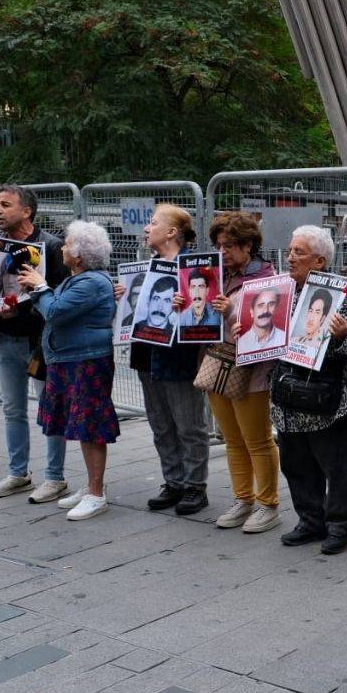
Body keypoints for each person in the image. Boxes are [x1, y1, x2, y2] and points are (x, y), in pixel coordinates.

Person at [0, 184, 69, 499]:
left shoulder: (51, 246)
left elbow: (61, 296)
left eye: (5, 204)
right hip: (7, 339)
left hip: (41, 342)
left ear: (26, 211)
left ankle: (54, 478)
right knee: (13, 409)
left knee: (49, 408)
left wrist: (22, 306)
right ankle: (18, 473)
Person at [15, 221, 119, 520]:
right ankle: (91, 488)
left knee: (91, 427)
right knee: (82, 427)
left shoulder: (91, 282)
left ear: (80, 256)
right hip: (72, 360)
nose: (61, 247)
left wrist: (39, 286)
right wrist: (41, 290)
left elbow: (56, 313)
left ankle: (97, 494)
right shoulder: (81, 279)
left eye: (67, 244)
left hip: (86, 361)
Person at [117, 204, 209, 515]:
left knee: (189, 425)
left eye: (153, 223)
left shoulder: (193, 270)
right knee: (160, 424)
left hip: (179, 356)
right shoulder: (146, 267)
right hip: (147, 354)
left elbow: (204, 316)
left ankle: (195, 486)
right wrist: (123, 296)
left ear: (171, 232)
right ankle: (174, 481)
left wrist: (184, 307)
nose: (146, 229)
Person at [272, 226, 347, 554]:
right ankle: (310, 520)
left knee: (337, 465)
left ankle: (340, 526)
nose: (290, 257)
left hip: (328, 397)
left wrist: (341, 336)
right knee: (295, 461)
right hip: (289, 395)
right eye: (290, 250)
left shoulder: (344, 292)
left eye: (299, 252)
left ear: (320, 261)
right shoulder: (282, 290)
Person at [206, 211, 282, 534]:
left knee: (258, 440)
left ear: (249, 244)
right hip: (219, 361)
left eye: (230, 246)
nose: (223, 252)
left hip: (253, 370)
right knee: (232, 438)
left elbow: (270, 320)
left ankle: (268, 504)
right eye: (220, 246)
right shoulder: (217, 274)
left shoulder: (266, 276)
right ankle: (243, 499)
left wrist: (233, 311)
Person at [238, 286, 286, 352]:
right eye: (260, 305)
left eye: (271, 304)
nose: (265, 310)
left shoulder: (285, 339)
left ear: (276, 309)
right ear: (252, 312)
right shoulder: (240, 342)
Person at [294, 288, 333, 358]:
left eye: (317, 312)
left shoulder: (321, 347)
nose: (311, 318)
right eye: (310, 311)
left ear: (323, 318)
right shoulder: (293, 340)